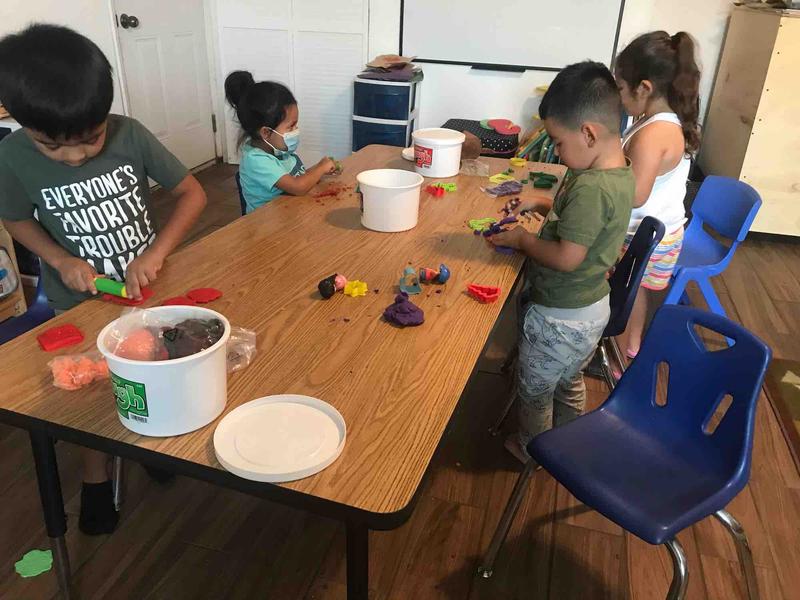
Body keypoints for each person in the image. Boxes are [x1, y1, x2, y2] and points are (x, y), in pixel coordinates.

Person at [0, 24, 207, 534]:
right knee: (94, 391)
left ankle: (149, 439)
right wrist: (59, 258)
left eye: (90, 139)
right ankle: (95, 478)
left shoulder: (129, 133)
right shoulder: (10, 157)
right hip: (81, 300)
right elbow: (17, 219)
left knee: (155, 366)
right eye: (53, 147)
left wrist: (156, 253)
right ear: (21, 124)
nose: (75, 156)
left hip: (146, 292)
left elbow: (193, 193)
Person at [488, 62, 634, 463]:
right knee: (568, 378)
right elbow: (588, 224)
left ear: (588, 133)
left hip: (559, 315)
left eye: (557, 141)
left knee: (535, 390)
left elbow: (567, 257)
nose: (554, 150)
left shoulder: (589, 186)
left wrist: (522, 239)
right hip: (591, 310)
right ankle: (569, 438)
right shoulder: (619, 175)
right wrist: (542, 200)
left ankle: (532, 450)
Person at [614, 31, 701, 358]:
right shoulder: (655, 121)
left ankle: (625, 352)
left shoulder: (655, 133)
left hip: (646, 234)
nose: (620, 97)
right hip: (655, 231)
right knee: (633, 294)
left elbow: (635, 195)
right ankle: (630, 346)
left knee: (629, 295)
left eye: (621, 88)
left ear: (644, 88)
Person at [224, 71, 336, 213]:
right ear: (266, 132)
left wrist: (319, 170)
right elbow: (297, 186)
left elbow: (296, 178)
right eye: (291, 126)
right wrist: (320, 168)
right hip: (267, 227)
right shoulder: (256, 160)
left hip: (289, 214)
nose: (296, 130)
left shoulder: (279, 150)